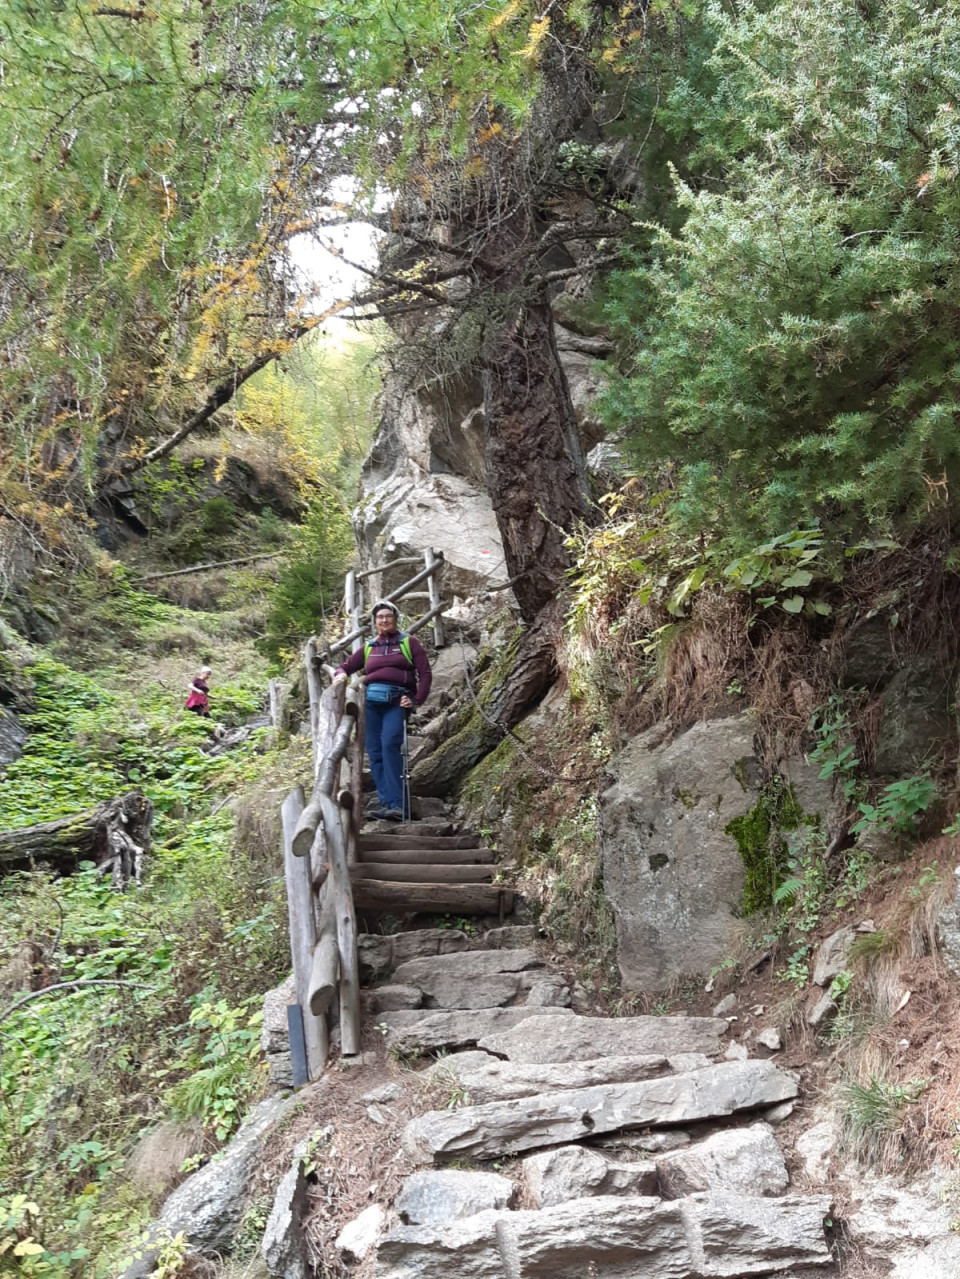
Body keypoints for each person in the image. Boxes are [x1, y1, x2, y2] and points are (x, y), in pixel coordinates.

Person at [333, 601, 432, 822]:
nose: (384, 620)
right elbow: (346, 666)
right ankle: (388, 803)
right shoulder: (369, 647)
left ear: (395, 619)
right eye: (380, 617)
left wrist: (416, 699)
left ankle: (399, 804)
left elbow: (425, 673)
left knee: (389, 745)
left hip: (396, 701)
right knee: (375, 751)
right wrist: (340, 675)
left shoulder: (408, 643)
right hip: (371, 704)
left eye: (388, 616)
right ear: (375, 622)